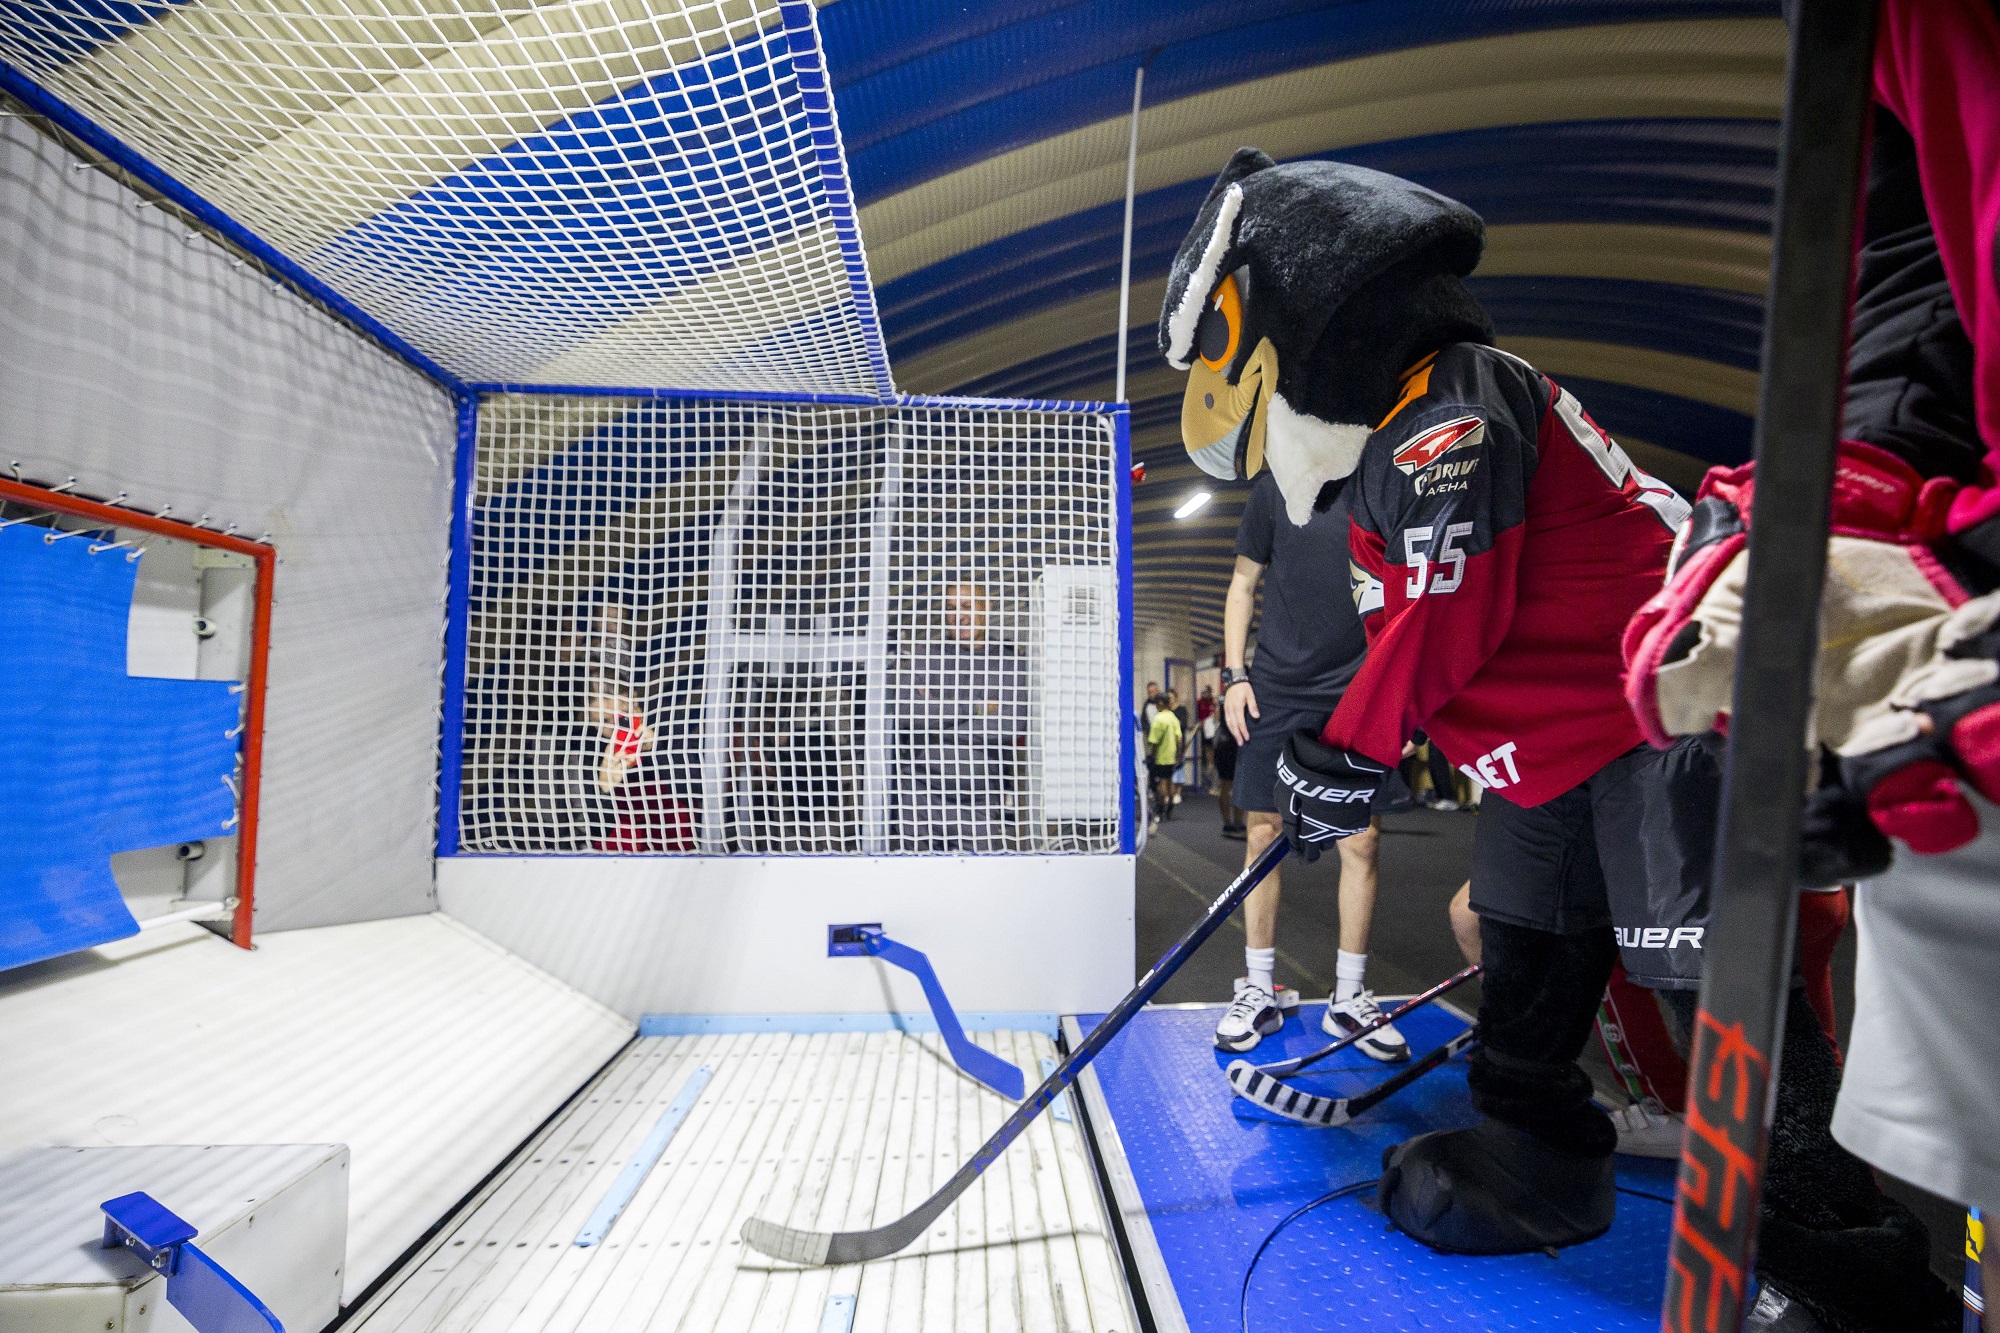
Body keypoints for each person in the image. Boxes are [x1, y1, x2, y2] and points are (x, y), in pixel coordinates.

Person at [1160, 149, 1953, 1330]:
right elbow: (1423, 626)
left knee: (1721, 1013)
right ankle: (1537, 1159)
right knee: (1528, 959)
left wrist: (1346, 756)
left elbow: (1448, 612)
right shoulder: (1377, 449)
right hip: (1541, 765)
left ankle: (1843, 1268)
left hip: (1657, 726)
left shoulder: (1452, 406)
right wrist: (1346, 748)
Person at [1214, 468, 1410, 1058]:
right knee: (1263, 831)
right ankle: (1258, 988)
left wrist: (1403, 696)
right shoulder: (1277, 486)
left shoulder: (1384, 484)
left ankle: (1348, 999)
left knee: (1363, 839)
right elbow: (1242, 583)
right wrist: (1233, 676)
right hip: (1274, 685)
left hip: (1359, 685)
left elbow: (1410, 596)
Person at [893, 581, 1027, 852]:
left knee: (976, 888)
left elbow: (1009, 726)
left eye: (967, 606)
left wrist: (936, 708)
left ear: (986, 608)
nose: (958, 615)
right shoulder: (924, 656)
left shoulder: (1011, 662)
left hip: (979, 805)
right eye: (951, 608)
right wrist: (974, 708)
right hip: (918, 800)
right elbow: (906, 712)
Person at [1145, 698, 1181, 834]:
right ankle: (1170, 805)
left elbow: (1154, 741)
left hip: (1161, 756)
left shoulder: (1158, 719)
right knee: (1170, 780)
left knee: (1162, 783)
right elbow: (1179, 738)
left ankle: (1161, 808)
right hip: (1172, 756)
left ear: (1160, 704)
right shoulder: (1173, 718)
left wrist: (1153, 756)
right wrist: (1178, 753)